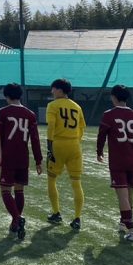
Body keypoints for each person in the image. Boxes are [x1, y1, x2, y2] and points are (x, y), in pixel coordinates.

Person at [97, 84, 133, 243]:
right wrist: (132, 149)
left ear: (113, 97)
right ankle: (123, 222)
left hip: (118, 161)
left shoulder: (108, 115)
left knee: (122, 196)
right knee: (129, 193)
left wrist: (99, 152)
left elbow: (101, 136)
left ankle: (131, 230)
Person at [0, 83, 42, 240]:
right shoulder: (30, 114)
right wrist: (38, 160)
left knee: (5, 190)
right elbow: (35, 139)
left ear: (6, 95)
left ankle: (17, 218)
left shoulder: (3, 112)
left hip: (8, 156)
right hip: (23, 156)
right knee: (19, 189)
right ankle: (15, 223)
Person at [45, 78, 86, 230]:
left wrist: (50, 146)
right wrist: (75, 141)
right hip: (74, 145)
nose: (52, 91)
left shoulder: (53, 105)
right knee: (76, 182)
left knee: (51, 179)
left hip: (58, 144)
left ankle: (56, 213)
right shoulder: (77, 106)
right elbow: (82, 127)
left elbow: (51, 126)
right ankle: (77, 218)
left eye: (54, 89)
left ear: (60, 90)